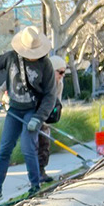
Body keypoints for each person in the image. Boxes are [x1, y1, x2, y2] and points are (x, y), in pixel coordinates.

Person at [0, 26, 60, 204]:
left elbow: (50, 96)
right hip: (14, 109)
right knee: (5, 149)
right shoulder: (9, 58)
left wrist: (38, 118)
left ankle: (35, 186)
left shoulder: (45, 65)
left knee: (27, 147)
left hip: (33, 110)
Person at [36, 54, 69, 184]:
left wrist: (51, 117)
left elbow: (57, 102)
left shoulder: (59, 84)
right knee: (35, 145)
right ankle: (35, 174)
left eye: (64, 73)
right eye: (60, 72)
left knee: (45, 144)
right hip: (34, 115)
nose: (62, 75)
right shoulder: (40, 82)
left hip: (45, 117)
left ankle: (41, 171)